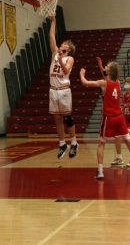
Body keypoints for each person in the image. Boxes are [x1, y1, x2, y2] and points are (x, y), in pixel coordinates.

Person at [79, 61, 130, 179]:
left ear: (109, 71)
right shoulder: (118, 83)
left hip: (109, 117)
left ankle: (100, 171)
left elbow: (85, 83)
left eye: (107, 67)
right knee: (128, 141)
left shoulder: (104, 83)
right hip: (120, 117)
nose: (105, 68)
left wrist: (82, 74)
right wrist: (101, 66)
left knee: (101, 143)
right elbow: (107, 77)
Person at [49, 16, 79, 159]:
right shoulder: (55, 53)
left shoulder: (69, 59)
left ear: (69, 52)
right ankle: (62, 143)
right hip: (53, 90)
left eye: (64, 50)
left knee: (67, 118)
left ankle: (73, 142)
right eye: (61, 47)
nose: (61, 49)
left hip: (64, 90)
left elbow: (66, 71)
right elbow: (51, 36)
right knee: (57, 119)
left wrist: (61, 59)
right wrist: (53, 21)